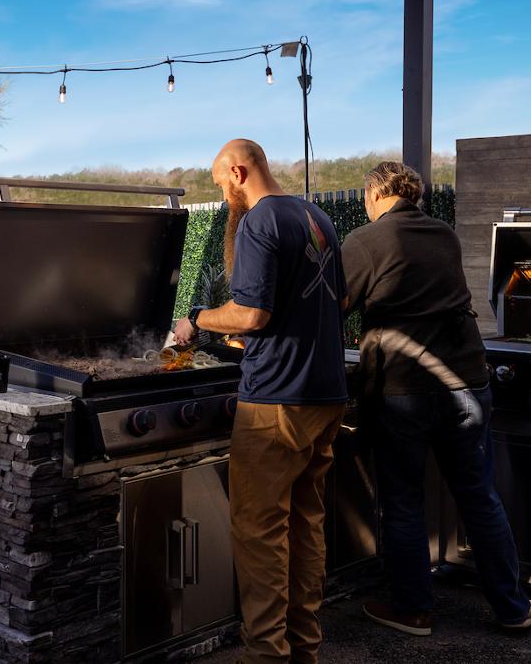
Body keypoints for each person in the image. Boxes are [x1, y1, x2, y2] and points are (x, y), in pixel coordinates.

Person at [174, 139, 348, 663]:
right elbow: (326, 304)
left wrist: (197, 320)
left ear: (239, 170)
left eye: (221, 182)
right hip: (325, 392)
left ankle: (265, 655)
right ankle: (303, 648)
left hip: (276, 401)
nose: (223, 192)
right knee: (305, 524)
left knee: (259, 530)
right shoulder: (318, 218)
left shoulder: (258, 221)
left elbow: (250, 315)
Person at [342, 161, 530, 634]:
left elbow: (334, 304)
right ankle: (514, 608)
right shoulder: (444, 232)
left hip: (406, 388)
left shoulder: (364, 240)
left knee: (404, 500)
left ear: (373, 196)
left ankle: (413, 610)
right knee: (479, 497)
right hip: (467, 381)